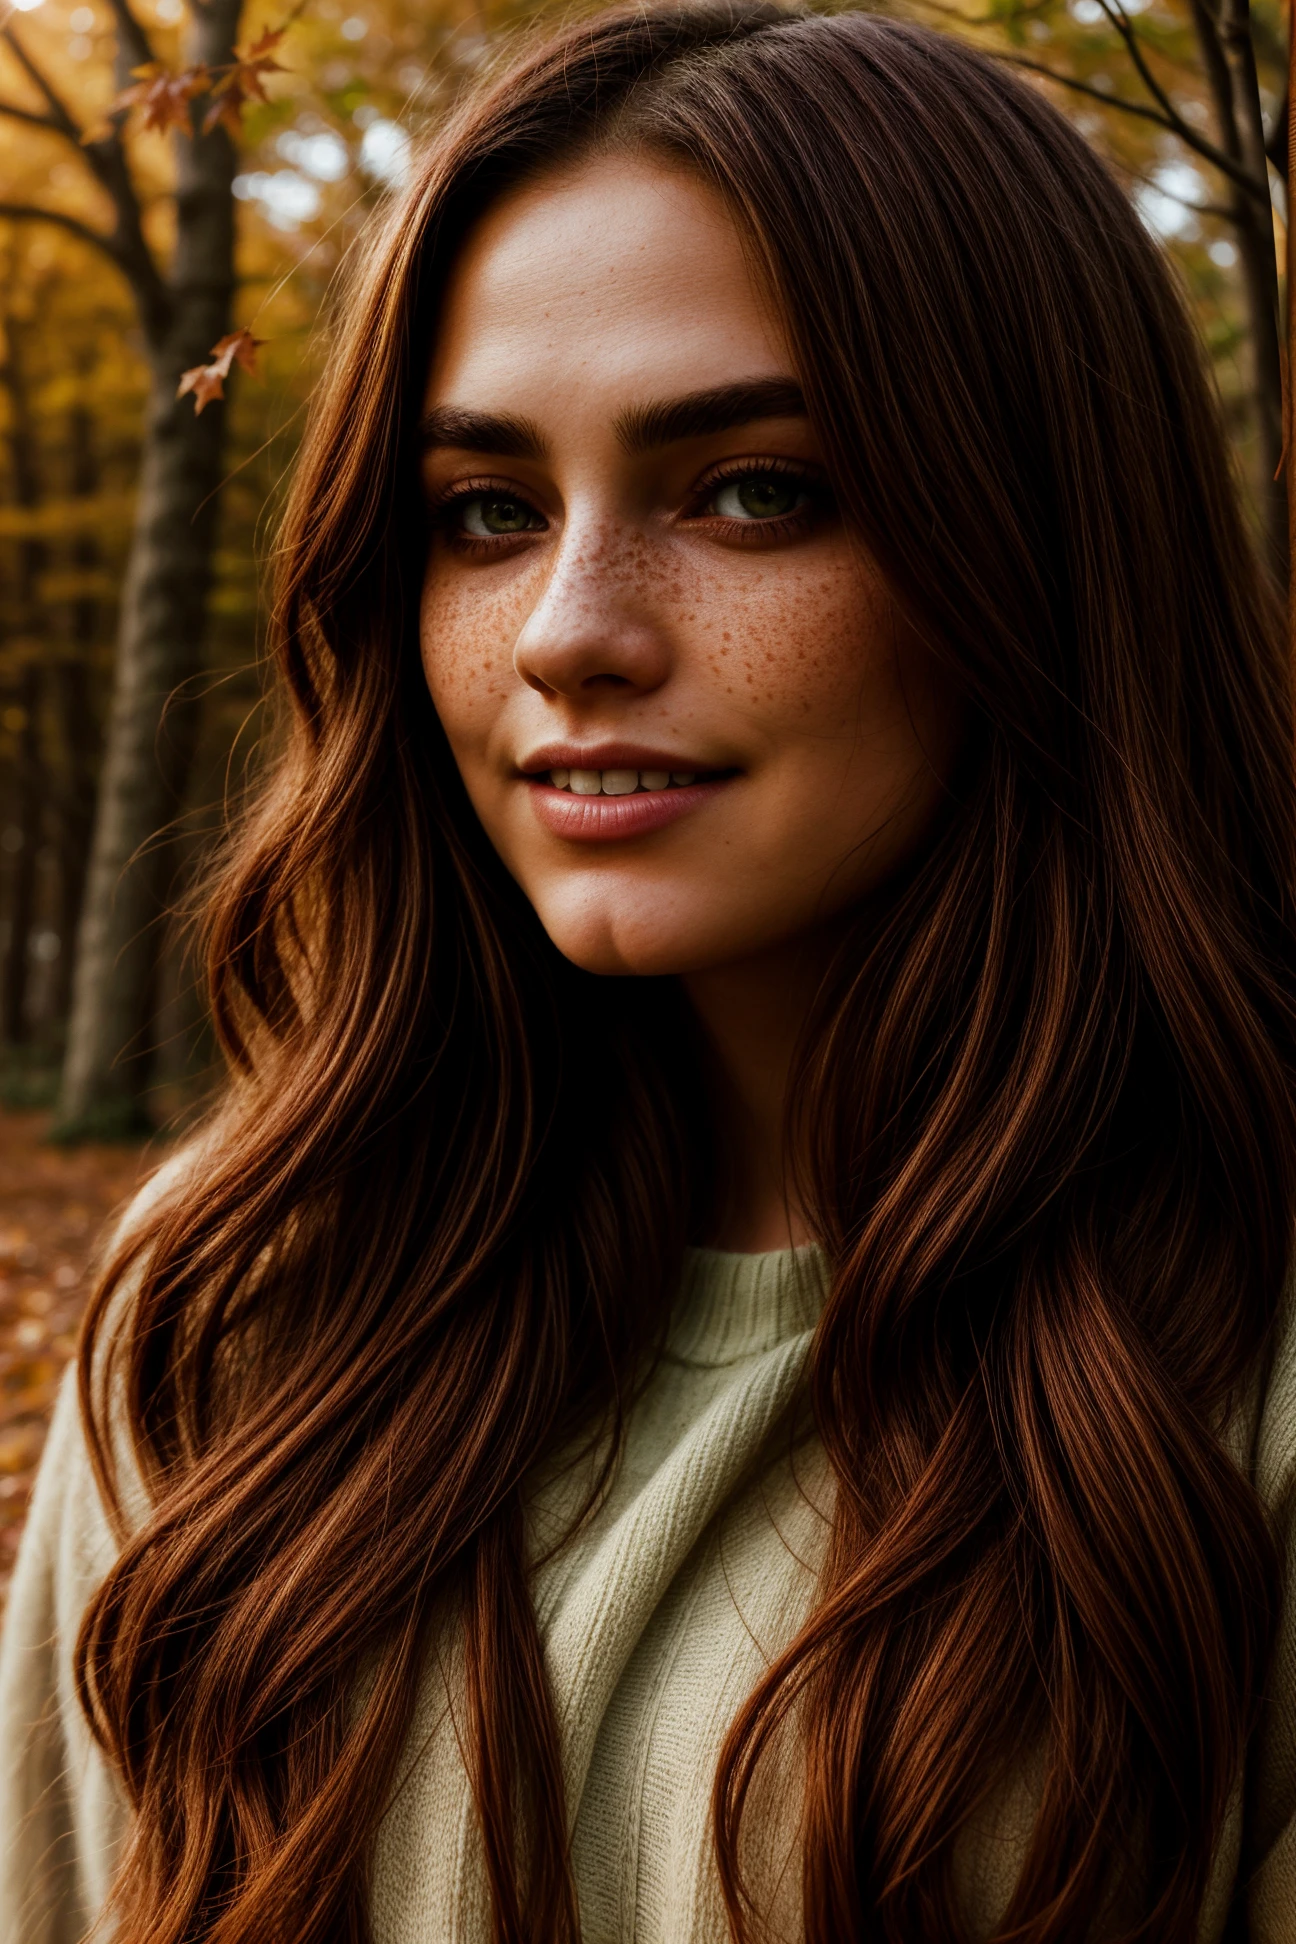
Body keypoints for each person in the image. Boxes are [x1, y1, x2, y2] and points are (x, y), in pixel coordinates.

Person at [3, 3, 1295, 1939]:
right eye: (486, 515)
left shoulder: (1246, 1364)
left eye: (753, 488)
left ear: (1036, 540)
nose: (568, 633)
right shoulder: (242, 1302)